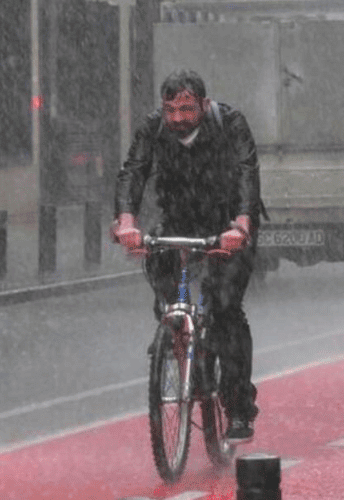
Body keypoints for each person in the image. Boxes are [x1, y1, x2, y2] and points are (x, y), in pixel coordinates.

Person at [111, 69, 263, 440]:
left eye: (187, 109)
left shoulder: (230, 123)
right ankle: (178, 342)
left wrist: (240, 225)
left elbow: (247, 173)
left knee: (226, 307)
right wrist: (127, 223)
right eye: (171, 111)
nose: (178, 118)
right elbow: (133, 171)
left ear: (204, 105)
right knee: (166, 292)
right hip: (178, 220)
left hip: (228, 223)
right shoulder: (153, 129)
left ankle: (238, 406)